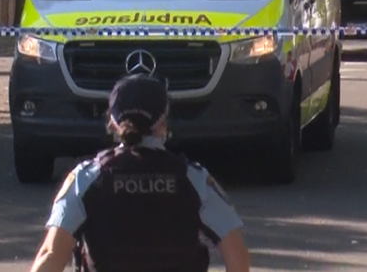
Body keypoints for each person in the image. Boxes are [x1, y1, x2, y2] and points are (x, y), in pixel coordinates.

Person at [28, 73, 250, 272]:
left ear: (113, 123)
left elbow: (50, 256)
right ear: (163, 123)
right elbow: (236, 252)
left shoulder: (86, 180)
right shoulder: (193, 179)